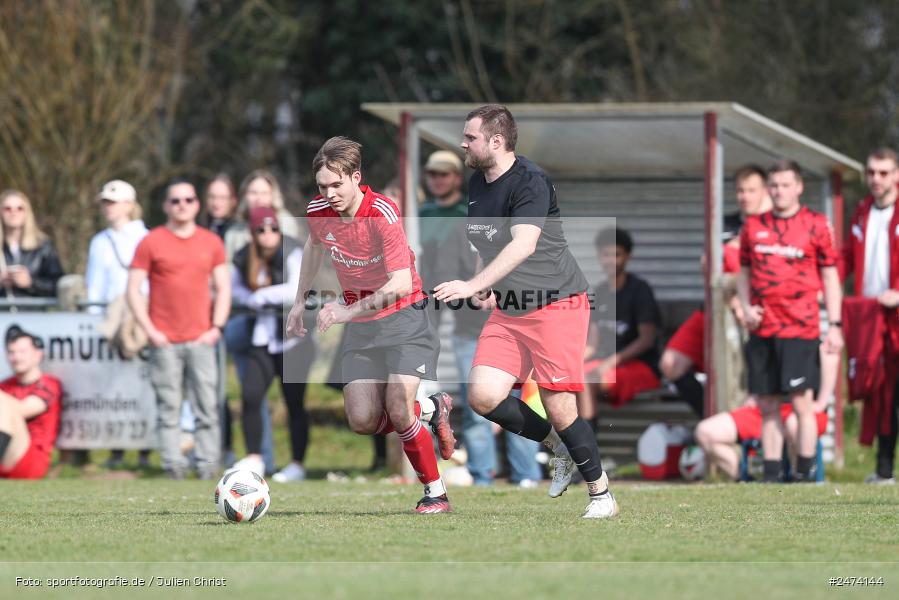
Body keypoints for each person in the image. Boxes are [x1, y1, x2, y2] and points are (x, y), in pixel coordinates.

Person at [434, 104, 618, 518]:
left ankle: (601, 494)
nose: (463, 143)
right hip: (512, 309)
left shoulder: (531, 181)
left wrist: (472, 285)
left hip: (558, 304)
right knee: (482, 396)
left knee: (560, 406)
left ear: (496, 141)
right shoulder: (477, 183)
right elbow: (487, 242)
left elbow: (523, 244)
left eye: (471, 137)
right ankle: (558, 446)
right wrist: (486, 285)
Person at [285, 136, 456, 513]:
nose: (329, 193)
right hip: (363, 327)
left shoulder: (382, 213)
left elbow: (400, 283)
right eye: (322, 186)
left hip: (405, 319)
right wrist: (300, 300)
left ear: (356, 177)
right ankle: (431, 409)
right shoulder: (318, 210)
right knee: (362, 420)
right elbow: (314, 246)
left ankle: (435, 493)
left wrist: (346, 311)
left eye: (336, 184)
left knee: (397, 405)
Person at [419, 150, 540, 486]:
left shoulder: (517, 227)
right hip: (469, 331)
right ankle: (482, 476)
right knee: (477, 407)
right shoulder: (460, 228)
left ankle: (526, 475)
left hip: (511, 327)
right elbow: (443, 277)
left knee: (514, 401)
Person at [737, 160, 843, 483]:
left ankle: (806, 472)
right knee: (767, 404)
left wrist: (835, 325)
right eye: (775, 185)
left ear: (799, 187)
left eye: (786, 185)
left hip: (800, 328)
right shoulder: (753, 227)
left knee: (802, 403)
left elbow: (830, 274)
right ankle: (770, 475)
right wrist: (745, 306)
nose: (779, 191)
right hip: (764, 328)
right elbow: (742, 271)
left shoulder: (816, 224)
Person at [127, 179, 230, 480]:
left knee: (207, 407)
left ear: (197, 204)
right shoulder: (151, 241)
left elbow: (223, 288)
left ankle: (208, 467)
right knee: (168, 408)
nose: (182, 205)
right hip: (164, 341)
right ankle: (174, 468)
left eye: (188, 199)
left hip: (201, 339)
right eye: (175, 201)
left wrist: (216, 327)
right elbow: (133, 289)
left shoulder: (211, 241)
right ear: (165, 206)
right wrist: (150, 330)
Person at [659, 165, 773, 416]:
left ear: (766, 192)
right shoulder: (725, 223)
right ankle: (710, 420)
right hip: (717, 309)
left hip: (754, 315)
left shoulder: (773, 225)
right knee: (671, 364)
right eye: (740, 191)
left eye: (752, 190)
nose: (745, 196)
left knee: (744, 383)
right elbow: (707, 263)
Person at [231, 207, 315, 481]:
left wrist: (263, 295)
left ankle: (297, 464)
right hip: (262, 336)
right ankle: (255, 458)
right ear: (252, 232)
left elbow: (295, 289)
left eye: (273, 229)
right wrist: (250, 298)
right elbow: (235, 289)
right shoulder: (243, 256)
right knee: (251, 395)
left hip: (293, 339)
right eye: (261, 230)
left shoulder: (292, 250)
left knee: (294, 402)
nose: (268, 235)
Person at [841, 147, 899, 484]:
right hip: (873, 318)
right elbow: (847, 256)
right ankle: (883, 470)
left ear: (895, 175)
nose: (876, 179)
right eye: (871, 172)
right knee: (881, 394)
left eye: (883, 172)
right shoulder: (862, 212)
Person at [85, 179, 150, 469]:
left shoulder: (146, 236)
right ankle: (117, 450)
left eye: (113, 202)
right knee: (113, 388)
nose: (108, 207)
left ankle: (146, 450)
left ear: (129, 204)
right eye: (105, 202)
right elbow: (94, 287)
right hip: (110, 323)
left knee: (143, 386)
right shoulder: (99, 241)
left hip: (140, 321)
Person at [695, 347, 837, 480]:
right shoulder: (763, 333)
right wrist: (754, 395)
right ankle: (745, 478)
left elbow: (831, 353)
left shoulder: (804, 332)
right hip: (765, 409)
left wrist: (822, 402)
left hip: (801, 410)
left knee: (794, 425)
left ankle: (798, 479)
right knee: (705, 432)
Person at [579, 227, 661, 418]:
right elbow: (592, 343)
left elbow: (646, 339)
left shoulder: (640, 290)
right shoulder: (599, 292)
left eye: (616, 254)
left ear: (627, 257)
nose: (610, 260)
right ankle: (570, 443)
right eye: (606, 255)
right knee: (568, 377)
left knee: (585, 379)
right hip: (605, 365)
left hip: (641, 366)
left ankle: (585, 446)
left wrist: (610, 362)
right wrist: (567, 363)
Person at [0, 325, 62, 480]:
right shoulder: (5, 386)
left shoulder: (49, 384)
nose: (16, 357)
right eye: (11, 352)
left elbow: (22, 410)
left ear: (38, 355)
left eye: (22, 352)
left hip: (31, 461)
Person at [224, 169, 301, 259]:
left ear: (272, 196)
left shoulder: (286, 223)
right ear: (245, 196)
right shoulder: (234, 233)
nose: (258, 198)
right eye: (253, 193)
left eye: (264, 193)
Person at [0, 190, 64, 298]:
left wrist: (31, 283)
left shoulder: (43, 246)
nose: (13, 213)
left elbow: (58, 285)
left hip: (33, 312)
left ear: (27, 212)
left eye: (19, 208)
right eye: (7, 209)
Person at [200, 173, 239, 239]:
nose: (216, 203)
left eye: (222, 198)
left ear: (233, 201)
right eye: (212, 197)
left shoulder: (238, 232)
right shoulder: (199, 228)